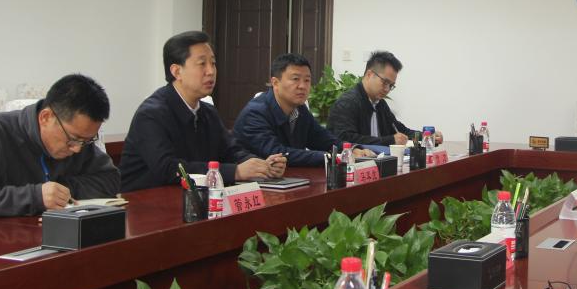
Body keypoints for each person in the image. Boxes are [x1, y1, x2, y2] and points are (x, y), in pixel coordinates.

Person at [0, 74, 120, 222]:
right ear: (46, 117)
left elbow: (110, 179)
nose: (77, 150)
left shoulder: (78, 141)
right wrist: (35, 196)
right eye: (73, 139)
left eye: (86, 141)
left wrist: (62, 191)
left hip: (49, 236)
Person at [119, 31, 285, 192]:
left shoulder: (208, 112)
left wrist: (260, 165)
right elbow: (168, 168)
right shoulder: (151, 115)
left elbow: (231, 151)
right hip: (146, 202)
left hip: (193, 198)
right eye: (202, 64)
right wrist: (235, 172)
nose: (211, 71)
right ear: (177, 71)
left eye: (213, 63)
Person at [233, 53, 373, 167]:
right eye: (295, 79)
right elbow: (277, 153)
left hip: (287, 179)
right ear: (275, 82)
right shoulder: (255, 113)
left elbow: (322, 138)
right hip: (251, 184)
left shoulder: (300, 109)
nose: (302, 86)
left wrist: (351, 149)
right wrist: (332, 157)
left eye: (307, 80)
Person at [326, 50, 440, 147]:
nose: (387, 89)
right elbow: (344, 139)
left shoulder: (380, 104)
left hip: (378, 161)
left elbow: (401, 130)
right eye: (385, 82)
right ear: (369, 75)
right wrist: (390, 140)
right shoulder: (347, 102)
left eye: (391, 85)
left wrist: (427, 137)